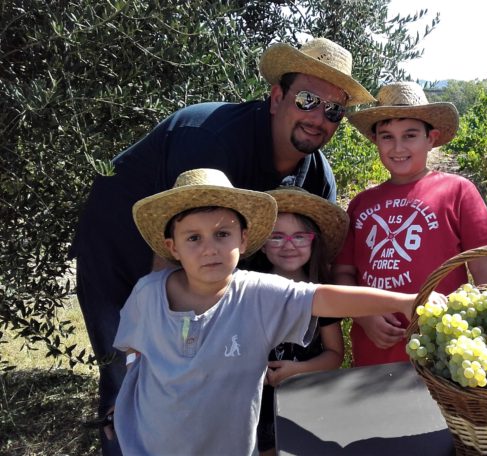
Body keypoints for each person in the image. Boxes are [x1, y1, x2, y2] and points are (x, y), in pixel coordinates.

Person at [69, 37, 374, 454]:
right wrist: (172, 343)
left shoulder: (318, 176)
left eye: (334, 110)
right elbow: (172, 243)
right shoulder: (213, 140)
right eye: (306, 99)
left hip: (200, 262)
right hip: (120, 253)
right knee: (139, 379)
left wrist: (367, 314)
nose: (319, 117)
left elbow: (315, 263)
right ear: (276, 96)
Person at [112, 168, 438, 454]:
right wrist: (122, 402)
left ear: (244, 238)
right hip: (146, 445)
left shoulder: (257, 295)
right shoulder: (148, 293)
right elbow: (133, 352)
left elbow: (325, 298)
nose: (209, 248)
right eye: (193, 237)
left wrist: (403, 301)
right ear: (173, 247)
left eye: (222, 234)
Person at [333, 81, 487, 367]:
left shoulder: (457, 191)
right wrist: (364, 317)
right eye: (387, 136)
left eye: (410, 135)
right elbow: (343, 274)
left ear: (431, 138)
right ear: (375, 140)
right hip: (374, 358)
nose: (398, 147)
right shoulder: (361, 204)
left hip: (443, 356)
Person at [253, 187, 349, 455]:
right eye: (277, 237)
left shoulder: (321, 295)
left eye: (299, 236)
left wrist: (297, 370)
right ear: (262, 243)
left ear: (313, 241)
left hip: (309, 396)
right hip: (257, 402)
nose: (289, 245)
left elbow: (334, 354)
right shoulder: (249, 292)